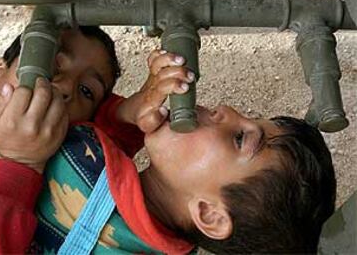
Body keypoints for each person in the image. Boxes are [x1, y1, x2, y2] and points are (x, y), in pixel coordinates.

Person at [31, 50, 337, 254]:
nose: (225, 110)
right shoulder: (101, 159)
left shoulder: (89, 159)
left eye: (239, 138)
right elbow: (99, 138)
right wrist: (130, 111)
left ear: (209, 214)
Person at [0, 25, 164, 253]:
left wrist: (125, 114)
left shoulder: (55, 133)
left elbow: (92, 147)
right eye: (51, 65)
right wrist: (19, 164)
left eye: (87, 91)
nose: (67, 87)